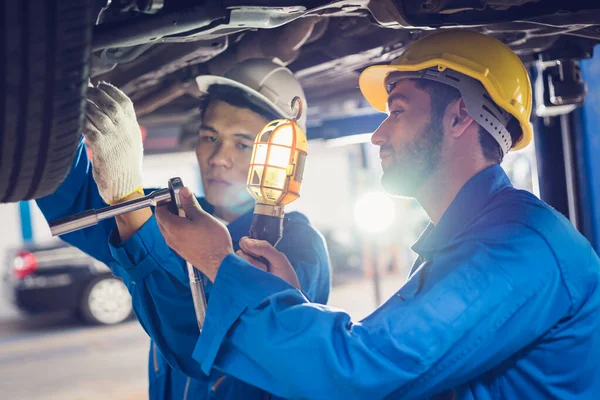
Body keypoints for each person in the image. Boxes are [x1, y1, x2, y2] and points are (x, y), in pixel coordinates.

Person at [133, 30, 600, 399]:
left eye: (397, 111)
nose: (378, 135)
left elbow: (359, 373)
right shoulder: (467, 242)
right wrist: (288, 298)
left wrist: (219, 260)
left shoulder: (516, 246)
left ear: (460, 117)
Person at [36, 58, 332, 400]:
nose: (218, 157)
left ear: (283, 158)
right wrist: (51, 105)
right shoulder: (175, 215)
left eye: (242, 144)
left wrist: (128, 200)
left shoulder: (296, 249)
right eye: (210, 136)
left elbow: (206, 346)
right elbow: (71, 201)